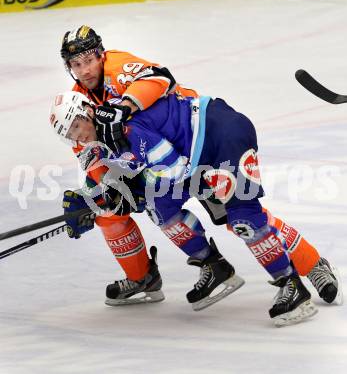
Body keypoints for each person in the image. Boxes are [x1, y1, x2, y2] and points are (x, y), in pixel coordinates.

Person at [50, 91, 342, 326]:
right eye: (70, 134)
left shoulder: (123, 126)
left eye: (77, 125)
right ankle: (214, 266)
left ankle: (292, 286)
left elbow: (173, 171)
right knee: (160, 210)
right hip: (191, 159)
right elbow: (104, 185)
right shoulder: (96, 146)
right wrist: (92, 204)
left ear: (87, 111)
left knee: (243, 218)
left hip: (220, 135)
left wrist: (135, 195)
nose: (79, 136)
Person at [59, 25, 198, 306]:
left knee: (239, 212)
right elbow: (92, 160)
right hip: (146, 157)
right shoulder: (77, 103)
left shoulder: (118, 66)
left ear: (101, 55)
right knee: (108, 214)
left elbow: (162, 78)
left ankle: (303, 267)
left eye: (88, 60)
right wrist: (99, 197)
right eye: (76, 64)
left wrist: (123, 107)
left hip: (189, 142)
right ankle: (143, 277)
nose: (84, 70)